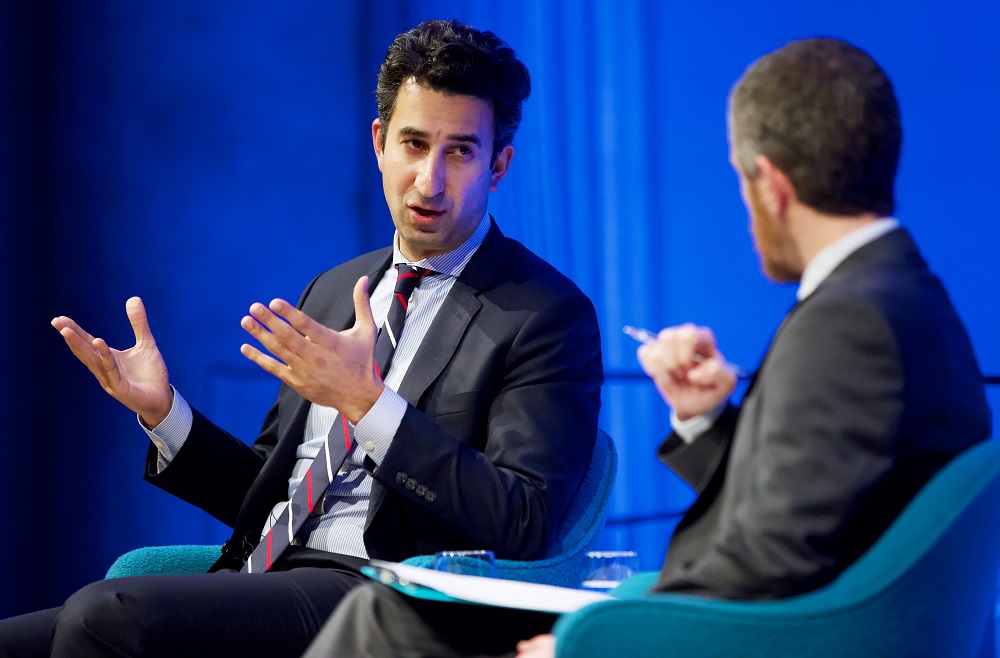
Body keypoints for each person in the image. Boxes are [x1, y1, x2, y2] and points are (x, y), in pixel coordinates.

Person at [305, 36, 992, 658]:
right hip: (809, 629)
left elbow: (772, 561)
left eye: (741, 181)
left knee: (383, 626)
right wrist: (707, 424)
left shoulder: (850, 326)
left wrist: (597, 641)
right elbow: (821, 509)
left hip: (766, 642)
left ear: (773, 186)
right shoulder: (899, 300)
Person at [0, 19, 603, 658]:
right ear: (380, 143)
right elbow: (265, 492)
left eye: (460, 151)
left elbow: (526, 523)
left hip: (386, 595)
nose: (430, 181)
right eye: (414, 144)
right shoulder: (339, 287)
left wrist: (369, 407)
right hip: (269, 579)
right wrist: (164, 413)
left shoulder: (544, 313)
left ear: (499, 163)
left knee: (105, 615)